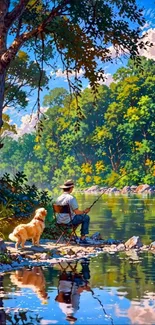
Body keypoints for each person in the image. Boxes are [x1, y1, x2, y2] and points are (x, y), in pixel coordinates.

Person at [55, 179, 90, 244]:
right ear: (71, 188)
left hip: (59, 221)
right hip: (69, 221)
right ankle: (82, 238)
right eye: (72, 187)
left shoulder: (58, 198)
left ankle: (72, 236)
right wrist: (84, 211)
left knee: (79, 216)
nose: (72, 189)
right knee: (86, 217)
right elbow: (76, 212)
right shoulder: (71, 198)